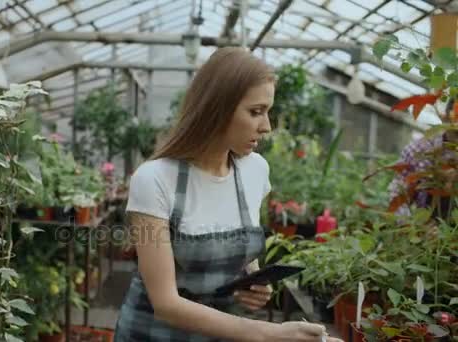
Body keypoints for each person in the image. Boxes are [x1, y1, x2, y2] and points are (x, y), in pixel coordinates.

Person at [113, 47, 340, 342]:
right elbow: (166, 304)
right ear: (216, 109)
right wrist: (271, 334)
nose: (267, 126)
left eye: (267, 111)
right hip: (153, 335)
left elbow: (243, 249)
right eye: (256, 112)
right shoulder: (155, 179)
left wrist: (254, 282)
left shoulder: (255, 170)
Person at [388, 99, 458, 219]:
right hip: (429, 229)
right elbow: (398, 196)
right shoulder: (419, 150)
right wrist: (415, 227)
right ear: (444, 118)